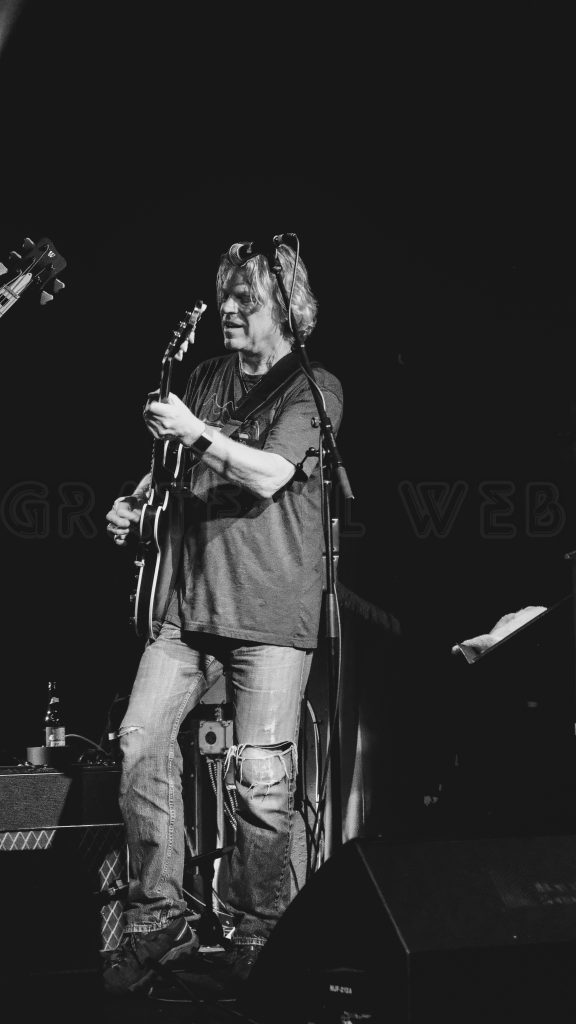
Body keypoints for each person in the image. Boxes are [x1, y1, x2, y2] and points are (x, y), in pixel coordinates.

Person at [102, 241, 343, 999]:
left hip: (269, 611)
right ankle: (155, 922)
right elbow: (172, 466)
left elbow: (269, 474)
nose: (229, 310)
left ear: (285, 306)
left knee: (262, 785)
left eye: (245, 298)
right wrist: (136, 502)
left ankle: (260, 936)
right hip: (187, 605)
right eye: (225, 296)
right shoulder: (208, 377)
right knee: (140, 742)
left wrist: (197, 434)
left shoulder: (314, 387)